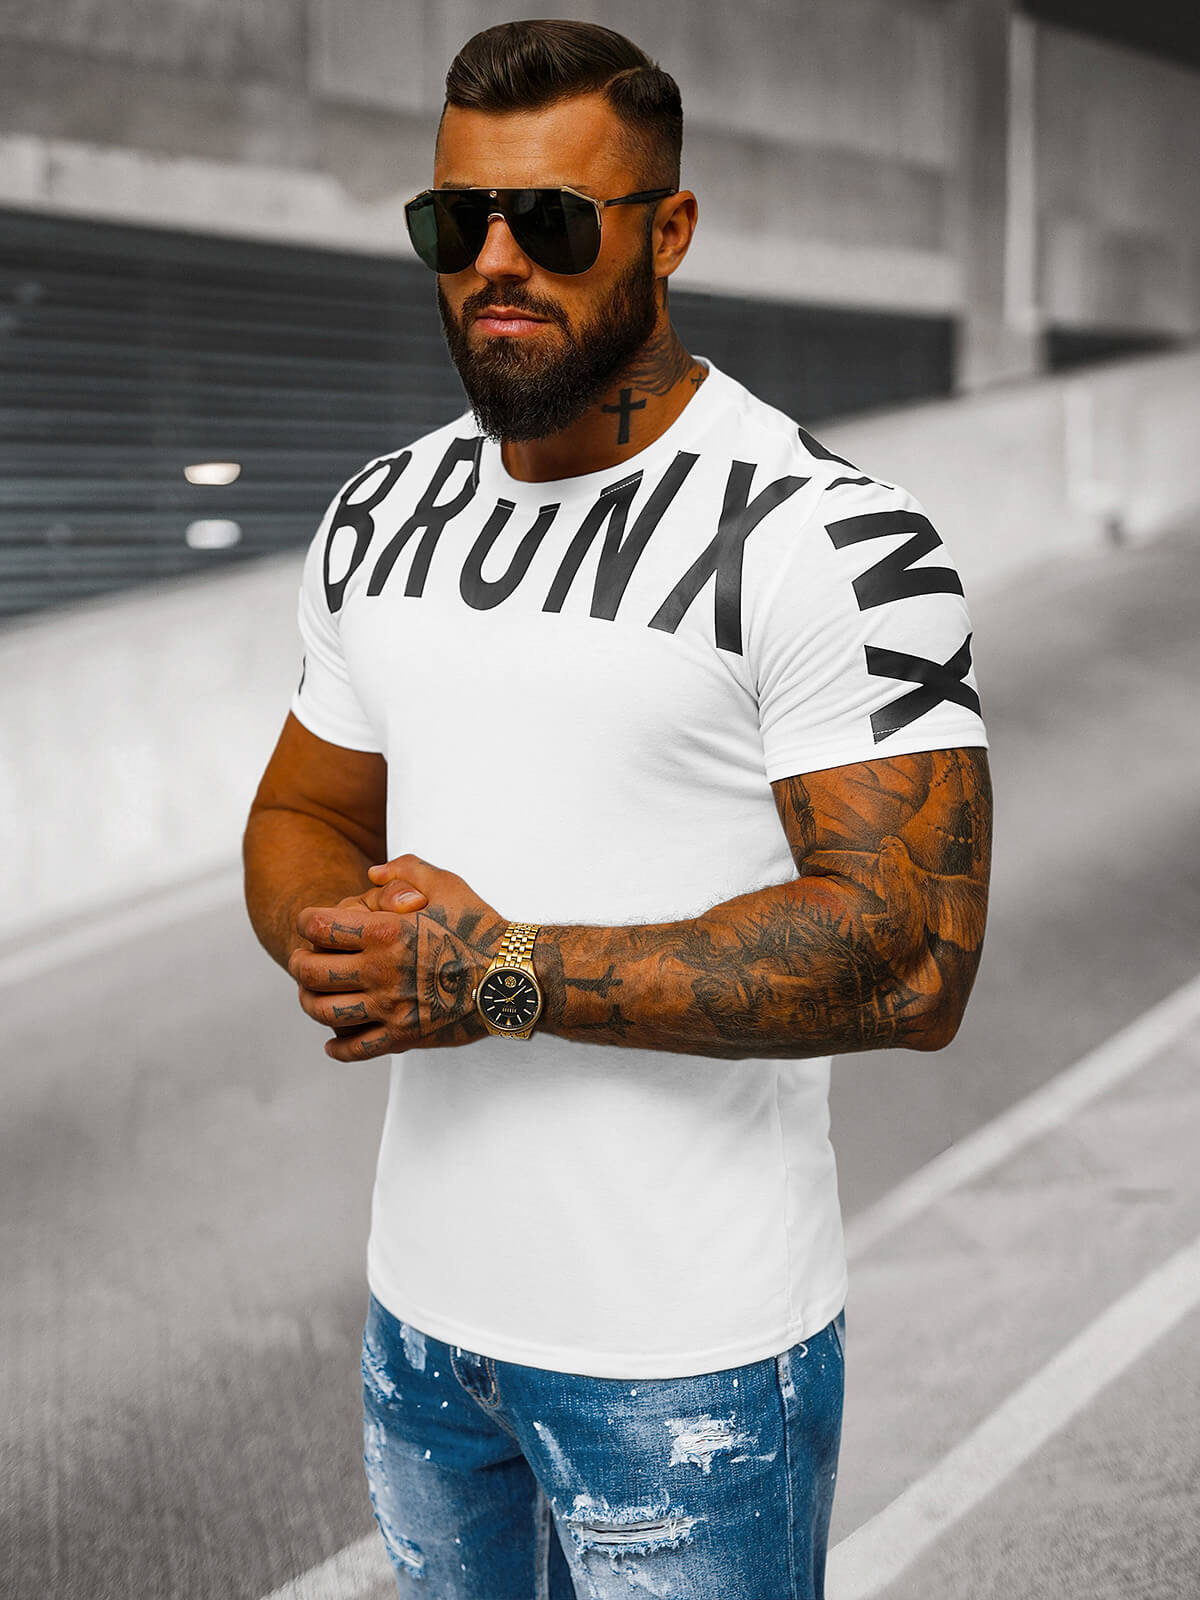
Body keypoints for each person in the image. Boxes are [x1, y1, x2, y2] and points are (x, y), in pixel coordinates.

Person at [242, 18, 992, 1600]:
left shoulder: (824, 538)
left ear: (670, 230)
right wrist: (347, 941)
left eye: (552, 221)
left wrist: (498, 975)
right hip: (424, 1336)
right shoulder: (382, 512)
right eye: (457, 221)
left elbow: (914, 956)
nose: (495, 263)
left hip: (689, 1363)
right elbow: (304, 808)